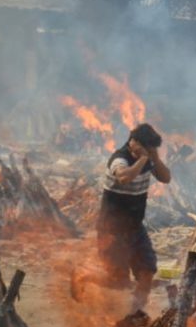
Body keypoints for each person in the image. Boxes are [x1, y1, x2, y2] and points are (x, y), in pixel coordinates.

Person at [71, 123, 171, 311]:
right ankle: (82, 274)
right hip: (112, 230)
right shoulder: (119, 159)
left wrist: (154, 158)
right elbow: (124, 178)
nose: (150, 153)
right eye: (148, 148)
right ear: (134, 142)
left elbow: (166, 178)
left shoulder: (149, 159)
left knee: (147, 271)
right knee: (119, 282)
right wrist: (142, 159)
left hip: (135, 227)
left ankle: (136, 313)